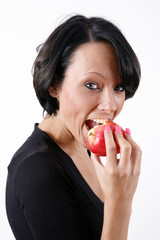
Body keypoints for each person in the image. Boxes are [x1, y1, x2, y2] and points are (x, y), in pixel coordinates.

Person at [6, 15, 142, 240]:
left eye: (119, 87)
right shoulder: (37, 171)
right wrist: (121, 203)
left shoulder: (82, 145)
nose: (110, 106)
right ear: (53, 86)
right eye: (91, 85)